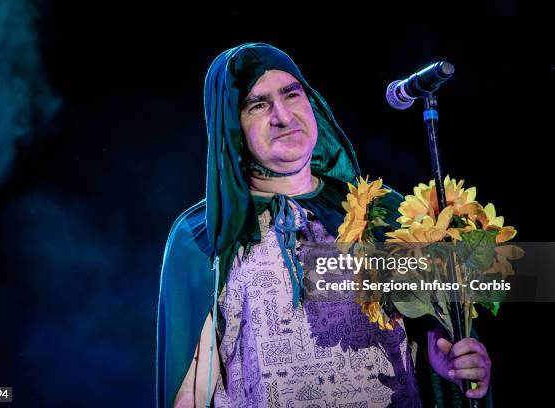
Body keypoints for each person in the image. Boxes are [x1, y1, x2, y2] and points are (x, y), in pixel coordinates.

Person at [156, 43, 492, 407]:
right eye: (257, 105)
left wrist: (451, 366)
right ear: (231, 127)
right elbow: (190, 391)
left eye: (292, 95)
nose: (282, 115)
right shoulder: (207, 233)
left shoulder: (382, 213)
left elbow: (433, 344)